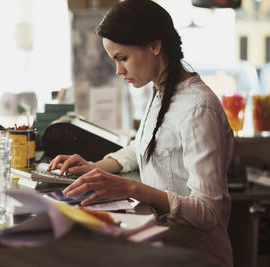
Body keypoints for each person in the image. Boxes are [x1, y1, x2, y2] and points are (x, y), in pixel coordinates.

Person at [47, 0, 234, 266]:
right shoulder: (160, 91)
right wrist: (93, 168)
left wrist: (131, 187)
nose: (118, 71)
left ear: (155, 46)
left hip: (197, 257)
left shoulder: (198, 109)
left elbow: (207, 212)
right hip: (163, 250)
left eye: (123, 58)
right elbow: (142, 147)